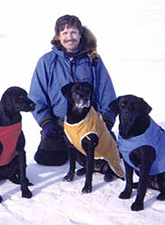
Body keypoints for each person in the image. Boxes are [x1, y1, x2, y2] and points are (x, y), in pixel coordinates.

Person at [29, 15, 117, 167]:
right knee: (48, 159)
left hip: (88, 124)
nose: (69, 37)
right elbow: (36, 97)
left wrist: (107, 119)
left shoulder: (93, 59)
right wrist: (46, 122)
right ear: (58, 36)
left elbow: (106, 91)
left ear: (80, 34)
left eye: (73, 32)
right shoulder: (47, 62)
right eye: (64, 33)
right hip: (59, 125)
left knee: (101, 159)